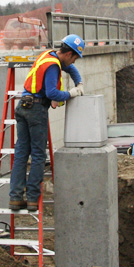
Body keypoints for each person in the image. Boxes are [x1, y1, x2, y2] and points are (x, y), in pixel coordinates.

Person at [9, 34, 85, 212]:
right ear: (69, 54)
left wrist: (79, 81)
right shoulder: (53, 66)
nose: (73, 61)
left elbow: (70, 69)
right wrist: (71, 93)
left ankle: (15, 198)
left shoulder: (48, 55)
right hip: (36, 111)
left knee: (21, 153)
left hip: (23, 106)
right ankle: (33, 200)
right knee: (38, 155)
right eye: (74, 57)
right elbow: (52, 93)